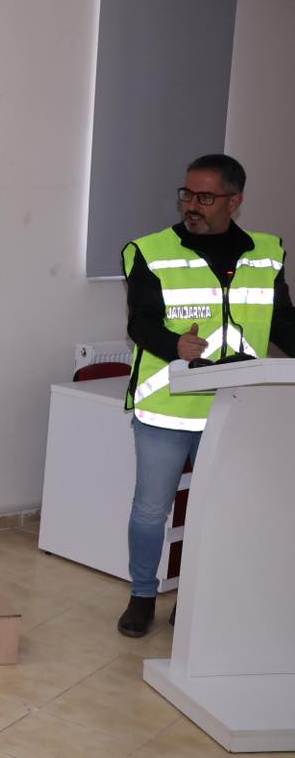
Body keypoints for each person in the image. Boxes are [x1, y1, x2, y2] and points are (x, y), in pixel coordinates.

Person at [117, 153, 295, 637]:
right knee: (151, 510)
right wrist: (173, 345)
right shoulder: (150, 251)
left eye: (205, 197)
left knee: (218, 510)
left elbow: (281, 322)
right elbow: (140, 322)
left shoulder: (267, 253)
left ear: (234, 201)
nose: (191, 205)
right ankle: (141, 596)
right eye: (187, 194)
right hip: (168, 407)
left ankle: (194, 597)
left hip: (235, 408)